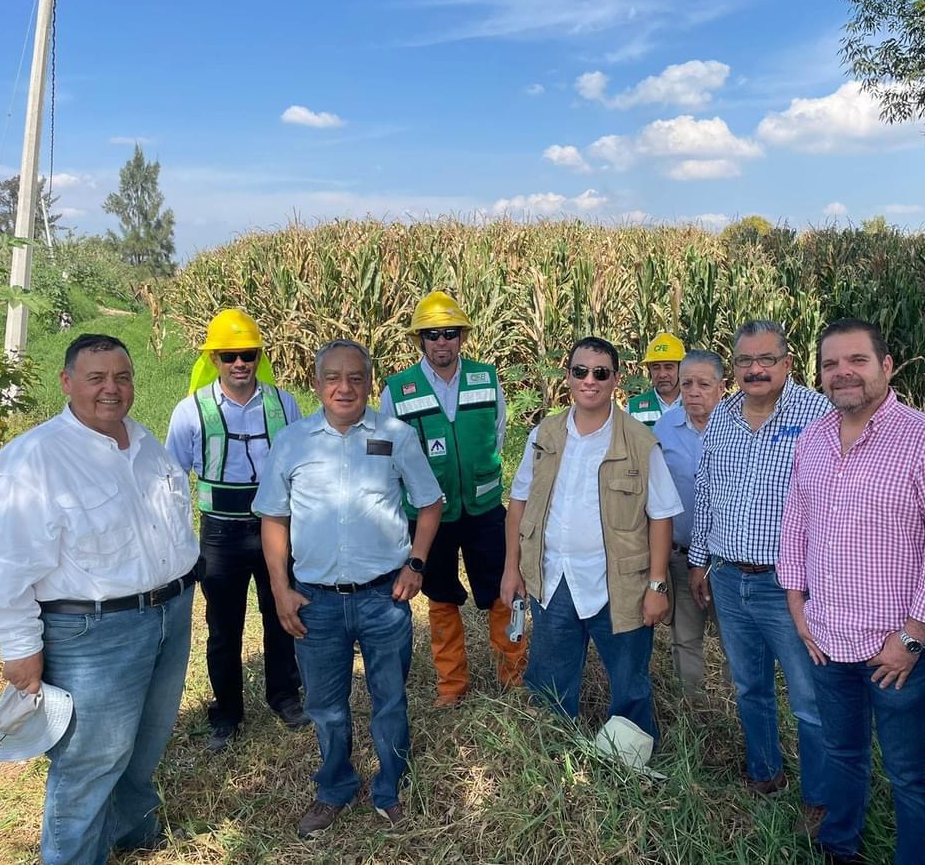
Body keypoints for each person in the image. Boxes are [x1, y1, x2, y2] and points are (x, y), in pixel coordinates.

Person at [0, 334, 200, 864]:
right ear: (67, 382)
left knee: (146, 741)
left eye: (121, 377)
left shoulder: (146, 445)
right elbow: (3, 573)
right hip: (94, 634)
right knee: (89, 762)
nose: (110, 389)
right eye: (96, 378)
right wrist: (19, 650)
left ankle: (130, 834)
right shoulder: (35, 461)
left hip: (169, 614)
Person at [779, 318, 925, 865]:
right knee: (842, 752)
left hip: (903, 648)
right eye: (831, 364)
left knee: (910, 771)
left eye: (857, 361)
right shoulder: (813, 438)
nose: (843, 373)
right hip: (829, 636)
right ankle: (840, 847)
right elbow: (797, 521)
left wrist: (912, 638)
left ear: (886, 367)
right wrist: (797, 602)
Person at [253, 339, 443, 838]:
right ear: (316, 385)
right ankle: (334, 786)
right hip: (314, 601)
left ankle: (391, 787)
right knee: (325, 704)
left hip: (385, 597)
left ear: (369, 383)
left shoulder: (395, 435)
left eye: (356, 377)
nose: (344, 387)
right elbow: (273, 515)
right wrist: (279, 589)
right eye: (333, 378)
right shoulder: (292, 441)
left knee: (390, 698)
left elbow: (429, 503)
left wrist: (415, 565)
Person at [500, 336, 682, 741]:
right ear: (568, 377)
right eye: (580, 371)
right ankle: (554, 758)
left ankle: (629, 762)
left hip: (620, 584)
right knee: (549, 680)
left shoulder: (639, 441)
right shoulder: (543, 435)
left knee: (629, 683)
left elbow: (661, 516)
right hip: (555, 579)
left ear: (616, 379)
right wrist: (512, 568)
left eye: (601, 373)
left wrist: (656, 585)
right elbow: (519, 503)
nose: (590, 381)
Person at [688, 320, 831, 814]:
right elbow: (706, 490)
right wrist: (699, 561)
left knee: (809, 699)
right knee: (749, 685)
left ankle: (819, 800)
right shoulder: (722, 417)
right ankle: (765, 772)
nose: (755, 369)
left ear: (787, 364)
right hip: (728, 577)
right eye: (745, 361)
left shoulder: (818, 413)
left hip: (790, 584)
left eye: (766, 359)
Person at [166, 308, 307, 752]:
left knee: (283, 615)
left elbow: (302, 465)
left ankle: (284, 697)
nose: (239, 363)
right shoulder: (191, 411)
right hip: (220, 535)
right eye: (229, 356)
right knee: (223, 627)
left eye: (247, 354)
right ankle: (226, 713)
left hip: (275, 528)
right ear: (215, 359)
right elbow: (172, 478)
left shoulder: (284, 404)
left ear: (258, 355)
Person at [380, 290, 524, 708]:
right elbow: (391, 454)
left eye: (449, 333)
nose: (441, 342)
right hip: (430, 516)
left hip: (483, 510)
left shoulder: (486, 378)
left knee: (504, 590)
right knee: (441, 598)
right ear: (419, 341)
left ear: (462, 337)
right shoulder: (398, 389)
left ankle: (513, 676)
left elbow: (497, 432)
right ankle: (451, 686)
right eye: (432, 335)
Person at [652, 348, 730, 695]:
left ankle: (736, 709)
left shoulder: (739, 427)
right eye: (687, 384)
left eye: (703, 384)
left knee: (736, 641)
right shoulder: (665, 427)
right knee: (685, 637)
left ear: (722, 387)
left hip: (729, 561)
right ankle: (694, 710)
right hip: (681, 554)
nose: (693, 392)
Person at [627, 332, 685, 427]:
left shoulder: (695, 404)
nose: (662, 374)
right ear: (649, 369)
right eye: (656, 367)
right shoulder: (634, 408)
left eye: (668, 367)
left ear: (681, 368)